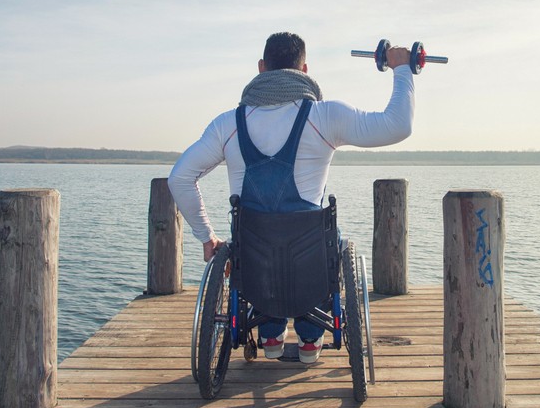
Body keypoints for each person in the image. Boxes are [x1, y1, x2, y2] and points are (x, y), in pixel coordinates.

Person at [168, 32, 414, 363]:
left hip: (253, 257)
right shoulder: (326, 117)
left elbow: (180, 178)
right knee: (327, 241)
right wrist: (401, 68)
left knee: (254, 242)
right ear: (305, 69)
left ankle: (269, 333)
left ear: (261, 68)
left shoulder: (227, 124)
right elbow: (397, 126)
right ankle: (310, 339)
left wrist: (206, 237)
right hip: (311, 255)